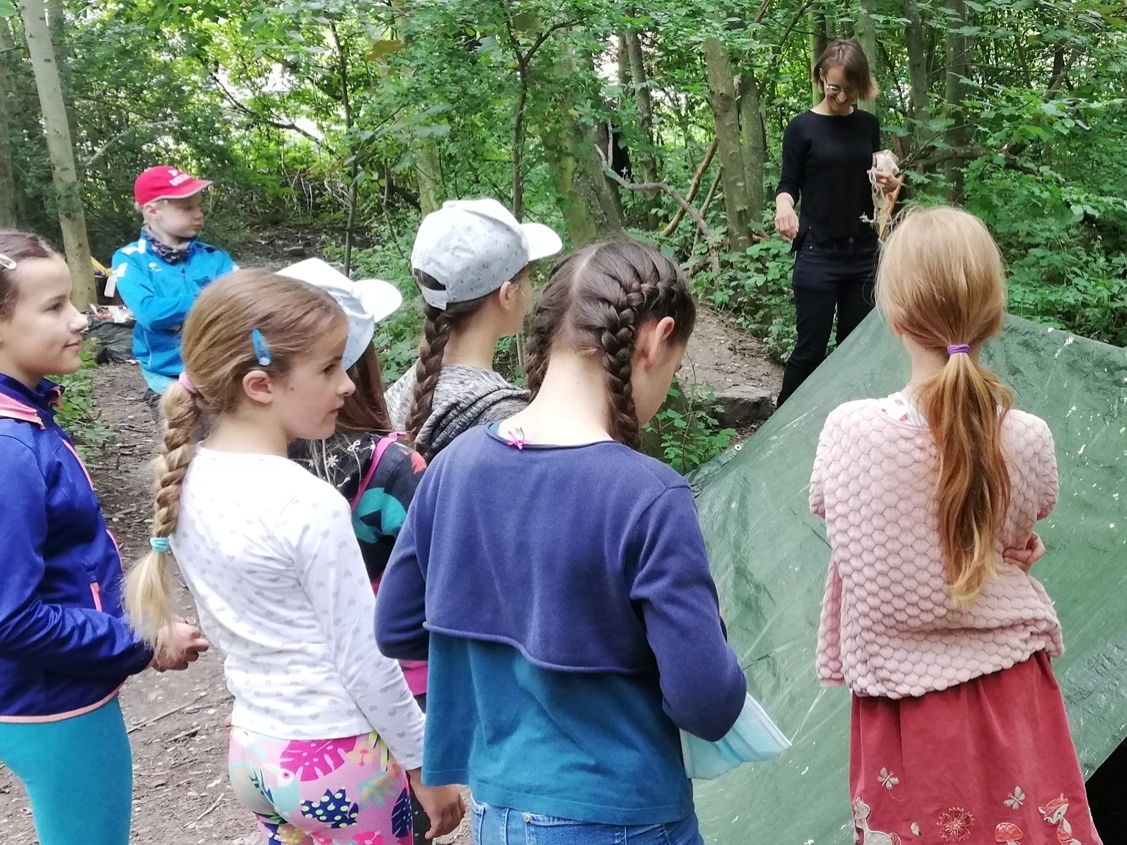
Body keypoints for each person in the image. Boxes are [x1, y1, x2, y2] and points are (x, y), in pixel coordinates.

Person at [376, 239, 747, 844]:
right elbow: (706, 703)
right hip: (624, 814)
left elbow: (396, 628)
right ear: (655, 341)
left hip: (499, 813)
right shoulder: (650, 496)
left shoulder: (451, 467)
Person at [126, 271, 464, 844]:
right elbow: (364, 658)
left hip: (257, 750)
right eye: (329, 368)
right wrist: (423, 762)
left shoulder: (184, 479)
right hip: (339, 759)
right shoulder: (306, 502)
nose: (347, 386)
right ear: (261, 386)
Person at [0, 230, 208, 845]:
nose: (80, 320)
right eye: (53, 307)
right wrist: (140, 639)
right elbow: (9, 621)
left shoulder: (11, 415)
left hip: (52, 692)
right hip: (48, 704)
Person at [810, 206, 1098, 844]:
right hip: (1009, 690)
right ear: (992, 315)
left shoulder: (850, 432)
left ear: (896, 315)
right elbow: (1017, 530)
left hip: (899, 706)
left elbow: (840, 514)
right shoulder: (1026, 439)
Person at [278, 259, 435, 845]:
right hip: (396, 692)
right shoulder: (393, 469)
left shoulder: (240, 469)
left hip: (287, 722)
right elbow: (434, 583)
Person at [773, 39, 904, 405]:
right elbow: (788, 184)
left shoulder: (867, 125)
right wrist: (784, 207)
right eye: (835, 88)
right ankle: (777, 433)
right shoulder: (801, 128)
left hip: (864, 256)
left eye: (851, 89)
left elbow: (884, 190)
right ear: (819, 79)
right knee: (810, 350)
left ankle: (847, 427)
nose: (843, 97)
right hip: (818, 253)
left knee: (854, 353)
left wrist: (892, 185)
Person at [385, 198, 562, 458]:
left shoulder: (398, 394)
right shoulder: (508, 421)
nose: (532, 287)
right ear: (507, 295)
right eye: (527, 277)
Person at [109, 165, 238, 411]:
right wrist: (213, 298)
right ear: (152, 210)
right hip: (165, 379)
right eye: (187, 207)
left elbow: (243, 302)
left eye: (198, 206)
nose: (198, 214)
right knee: (184, 447)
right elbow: (149, 313)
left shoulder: (215, 257)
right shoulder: (130, 259)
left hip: (220, 373)